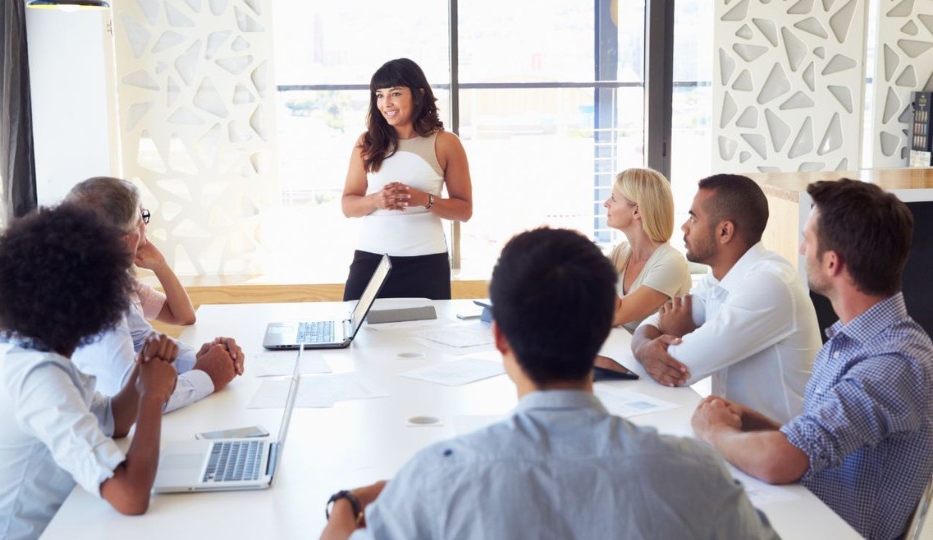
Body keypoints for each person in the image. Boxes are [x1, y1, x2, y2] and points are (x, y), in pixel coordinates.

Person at [320, 227, 778, 540]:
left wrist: (348, 504)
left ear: (499, 337)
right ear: (603, 332)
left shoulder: (436, 479)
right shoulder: (693, 473)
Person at [692, 179, 933, 540]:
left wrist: (716, 433)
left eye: (808, 240)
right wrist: (744, 419)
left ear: (833, 262)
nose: (801, 248)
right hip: (805, 510)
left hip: (826, 528)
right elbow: (810, 442)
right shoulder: (852, 341)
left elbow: (784, 460)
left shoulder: (894, 362)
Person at [0, 204, 179, 538]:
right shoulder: (36, 377)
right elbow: (131, 497)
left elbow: (112, 420)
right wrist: (154, 396)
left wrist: (143, 373)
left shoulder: (20, 345)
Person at [630, 174, 820, 424]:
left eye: (693, 218)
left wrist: (675, 338)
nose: (684, 227)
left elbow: (679, 366)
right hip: (737, 439)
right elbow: (653, 322)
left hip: (784, 452)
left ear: (725, 231)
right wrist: (644, 346)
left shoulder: (769, 284)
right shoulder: (718, 277)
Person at [65, 177, 244, 412]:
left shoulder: (108, 281)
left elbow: (142, 340)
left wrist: (200, 359)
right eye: (142, 219)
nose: (145, 226)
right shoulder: (91, 297)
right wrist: (206, 375)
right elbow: (135, 397)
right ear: (128, 240)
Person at [341, 58, 472, 301]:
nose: (385, 103)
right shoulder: (366, 143)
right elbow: (348, 206)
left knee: (428, 336)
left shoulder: (446, 143)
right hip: (371, 259)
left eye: (395, 93)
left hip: (427, 263)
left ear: (417, 95)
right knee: (358, 334)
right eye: (379, 95)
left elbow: (464, 211)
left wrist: (424, 199)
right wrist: (377, 200)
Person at [605, 167, 691, 331]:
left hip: (648, 355)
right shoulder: (621, 253)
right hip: (618, 351)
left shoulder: (671, 263)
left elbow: (615, 314)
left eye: (613, 198)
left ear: (636, 210)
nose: (605, 203)